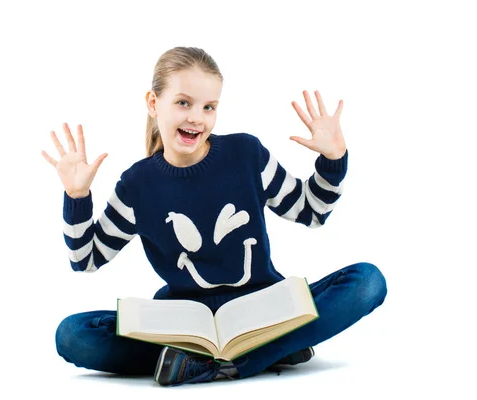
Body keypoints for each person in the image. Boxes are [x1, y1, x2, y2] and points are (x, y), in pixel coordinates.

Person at [41, 46, 387, 386]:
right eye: (183, 103)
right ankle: (268, 351)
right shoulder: (136, 186)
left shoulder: (246, 155)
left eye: (209, 107)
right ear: (152, 103)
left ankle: (222, 361)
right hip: (183, 325)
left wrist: (333, 159)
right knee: (73, 335)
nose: (197, 117)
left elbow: (311, 211)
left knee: (367, 281)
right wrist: (77, 196)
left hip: (266, 309)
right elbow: (84, 259)